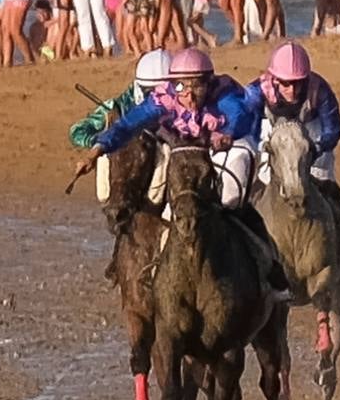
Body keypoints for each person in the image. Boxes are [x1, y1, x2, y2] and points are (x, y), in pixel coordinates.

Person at [74, 48, 289, 292]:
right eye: (180, 87)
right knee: (163, 199)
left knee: (231, 199)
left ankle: (268, 260)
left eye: (196, 86)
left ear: (208, 82)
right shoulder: (162, 98)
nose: (188, 95)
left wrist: (226, 133)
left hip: (229, 142)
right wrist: (95, 153)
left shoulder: (225, 94)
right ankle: (148, 263)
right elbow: (126, 125)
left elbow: (238, 117)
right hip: (185, 147)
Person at [241, 42, 340, 257]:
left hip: (312, 141)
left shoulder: (319, 90)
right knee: (250, 193)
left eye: (298, 83)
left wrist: (316, 149)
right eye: (286, 84)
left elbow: (333, 127)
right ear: (274, 79)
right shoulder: (256, 91)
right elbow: (244, 125)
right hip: (273, 141)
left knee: (328, 188)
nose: (293, 90)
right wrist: (259, 148)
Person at [68, 48, 173, 204]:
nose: (156, 97)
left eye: (162, 91)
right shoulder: (118, 106)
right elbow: (77, 131)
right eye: (150, 91)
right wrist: (100, 140)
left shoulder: (181, 103)